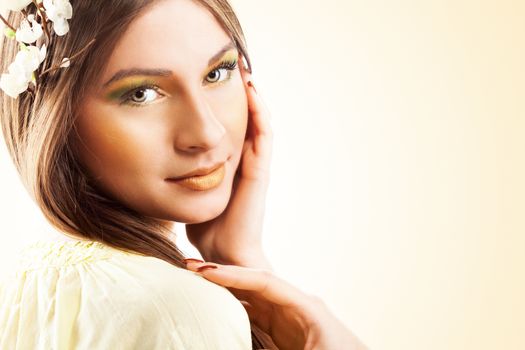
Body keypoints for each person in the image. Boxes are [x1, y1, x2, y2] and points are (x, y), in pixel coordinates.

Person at [0, 0, 367, 349]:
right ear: (53, 119)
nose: (208, 133)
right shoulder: (182, 311)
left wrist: (238, 257)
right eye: (141, 93)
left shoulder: (24, 287)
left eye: (217, 73)